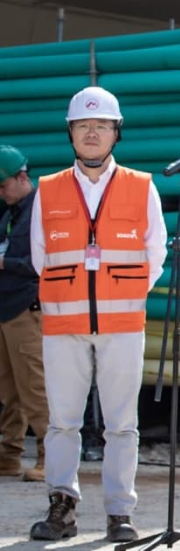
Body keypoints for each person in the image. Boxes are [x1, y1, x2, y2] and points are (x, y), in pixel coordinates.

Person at [28, 86, 168, 543]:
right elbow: (39, 256)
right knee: (62, 421)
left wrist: (122, 296)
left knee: (121, 424)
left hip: (123, 325)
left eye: (101, 125)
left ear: (115, 133)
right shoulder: (47, 190)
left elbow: (156, 253)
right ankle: (61, 508)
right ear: (70, 133)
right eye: (83, 125)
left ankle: (119, 512)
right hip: (64, 325)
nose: (92, 132)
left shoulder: (142, 187)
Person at [0, 145, 48, 483]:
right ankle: (9, 455)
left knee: (34, 387)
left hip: (26, 311)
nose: (0, 192)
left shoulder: (40, 213)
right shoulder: (11, 213)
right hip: (6, 310)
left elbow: (40, 264)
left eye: (3, 185)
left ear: (22, 177)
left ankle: (50, 456)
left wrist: (3, 263)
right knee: (9, 390)